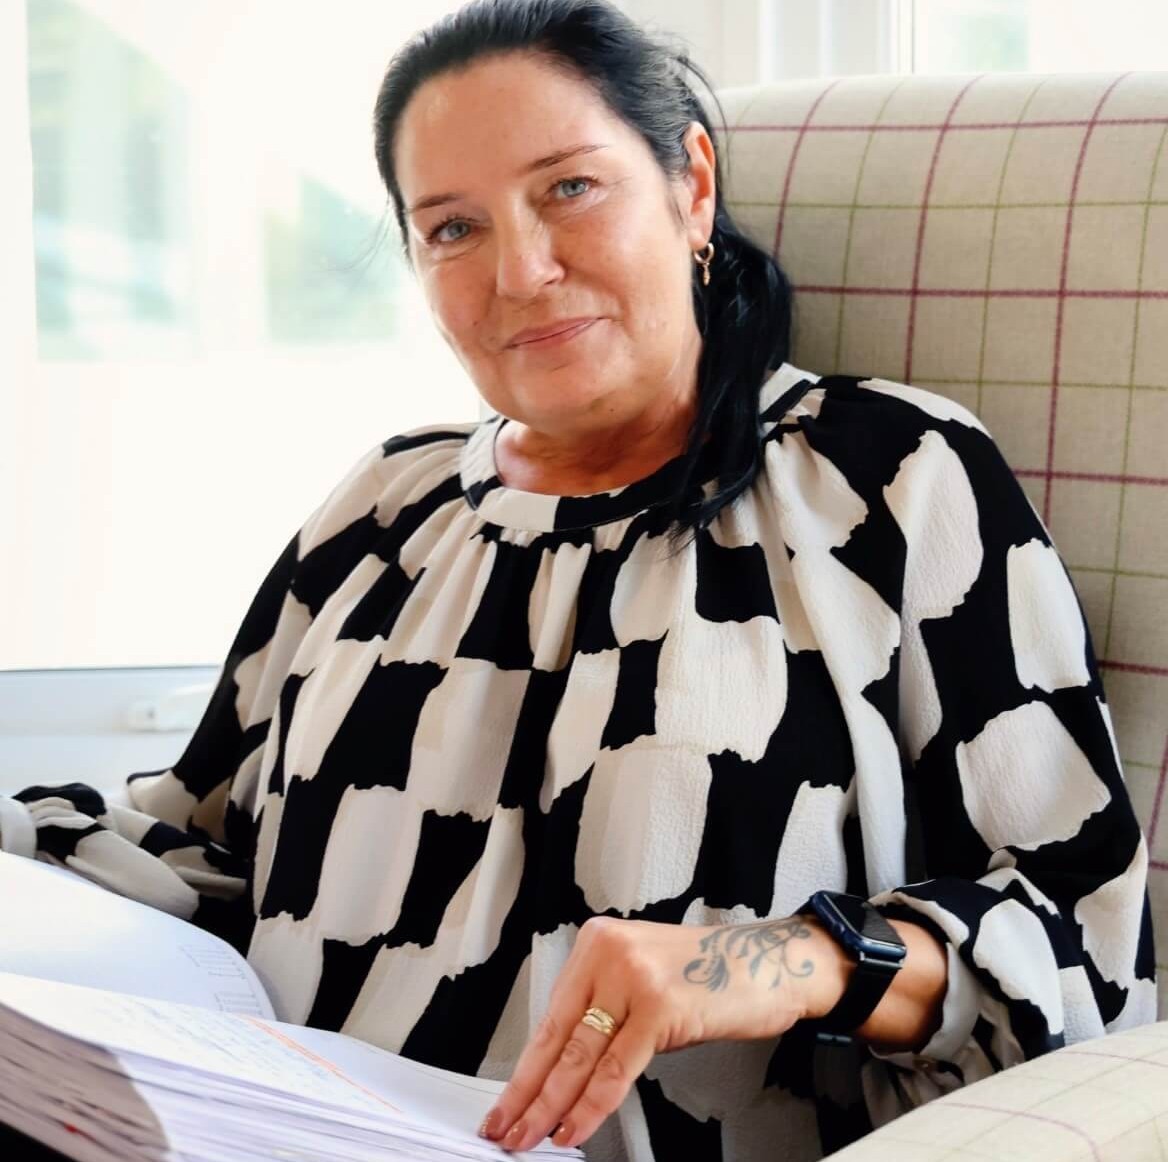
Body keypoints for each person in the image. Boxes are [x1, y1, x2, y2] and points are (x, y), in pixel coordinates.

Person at [1, 1, 1156, 1159]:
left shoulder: (888, 478)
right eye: (453, 228)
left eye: (569, 188)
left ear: (690, 186)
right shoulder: (381, 506)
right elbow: (198, 855)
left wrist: (787, 958)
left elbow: (1078, 949)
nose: (521, 270)